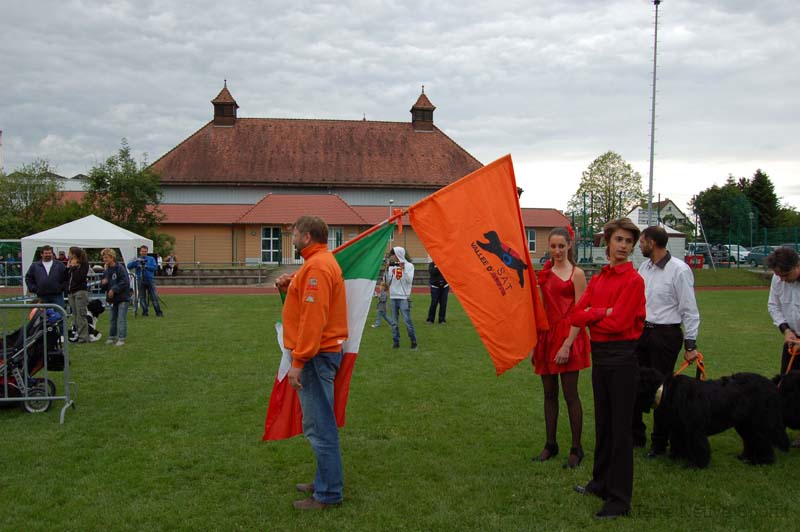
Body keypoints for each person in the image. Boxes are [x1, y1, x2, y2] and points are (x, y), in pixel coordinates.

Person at [571, 218, 645, 520]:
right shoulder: (599, 279)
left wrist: (595, 315)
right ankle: (600, 483)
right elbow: (576, 315)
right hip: (600, 358)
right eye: (619, 240)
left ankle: (619, 500)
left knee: (620, 430)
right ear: (608, 242)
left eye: (629, 242)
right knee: (603, 424)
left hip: (623, 360)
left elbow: (620, 323)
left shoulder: (634, 281)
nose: (623, 246)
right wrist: (603, 312)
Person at [274, 216, 348, 510]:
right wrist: (288, 287)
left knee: (320, 427)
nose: (291, 238)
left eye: (293, 234)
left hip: (316, 357)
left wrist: (299, 359)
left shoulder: (317, 266)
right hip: (319, 354)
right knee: (319, 423)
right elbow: (302, 306)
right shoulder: (316, 263)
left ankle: (328, 494)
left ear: (306, 236)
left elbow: (313, 318)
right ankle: (323, 481)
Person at [633, 226, 701, 456]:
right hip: (642, 332)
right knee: (636, 384)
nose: (639, 245)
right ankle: (636, 435)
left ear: (651, 243)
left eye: (641, 242)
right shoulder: (644, 267)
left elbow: (690, 309)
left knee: (661, 392)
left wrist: (691, 344)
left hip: (665, 335)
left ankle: (659, 443)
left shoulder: (679, 270)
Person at [532, 227, 590, 468]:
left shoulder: (577, 274)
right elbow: (541, 310)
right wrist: (536, 343)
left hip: (570, 336)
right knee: (549, 394)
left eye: (561, 246)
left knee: (570, 394)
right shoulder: (544, 275)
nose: (556, 251)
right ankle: (550, 444)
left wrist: (567, 345)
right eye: (553, 246)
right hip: (548, 336)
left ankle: (576, 448)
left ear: (569, 246)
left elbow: (582, 311)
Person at [767, 247, 800, 373]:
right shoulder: (778, 279)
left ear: (797, 266)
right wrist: (785, 330)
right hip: (792, 342)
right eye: (778, 275)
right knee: (786, 386)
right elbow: (773, 305)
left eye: (785, 275)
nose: (782, 279)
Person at [385, 247, 417, 350]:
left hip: (403, 297)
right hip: (393, 296)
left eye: (393, 254)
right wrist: (386, 269)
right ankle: (396, 342)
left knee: (407, 321)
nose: (392, 257)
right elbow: (387, 281)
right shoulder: (391, 267)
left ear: (398, 254)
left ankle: (413, 341)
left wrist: (403, 269)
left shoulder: (409, 266)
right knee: (394, 322)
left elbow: (409, 281)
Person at [100, 248, 130, 347]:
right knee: (112, 319)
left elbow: (125, 282)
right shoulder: (106, 270)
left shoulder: (120, 268)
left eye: (106, 257)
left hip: (122, 298)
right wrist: (103, 283)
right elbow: (104, 286)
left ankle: (121, 338)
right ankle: (111, 337)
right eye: (103, 257)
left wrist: (114, 289)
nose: (104, 259)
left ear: (112, 257)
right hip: (113, 300)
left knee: (121, 318)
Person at [25, 244, 68, 309]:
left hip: (57, 295)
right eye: (46, 253)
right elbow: (28, 278)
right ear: (41, 254)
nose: (48, 255)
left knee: (59, 315)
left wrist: (61, 288)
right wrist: (34, 288)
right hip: (41, 296)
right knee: (43, 316)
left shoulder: (59, 265)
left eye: (49, 253)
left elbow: (66, 278)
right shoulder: (35, 266)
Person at [127, 245, 163, 317]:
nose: (144, 253)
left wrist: (146, 266)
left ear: (147, 251)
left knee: (154, 297)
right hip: (140, 279)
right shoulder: (137, 259)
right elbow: (129, 266)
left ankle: (158, 312)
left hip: (150, 279)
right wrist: (135, 262)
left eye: (145, 251)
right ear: (140, 252)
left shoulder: (151, 258)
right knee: (142, 297)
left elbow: (155, 268)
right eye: (142, 251)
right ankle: (145, 312)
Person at [67, 246, 93, 343]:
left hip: (80, 292)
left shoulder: (84, 264)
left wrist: (73, 268)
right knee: (74, 315)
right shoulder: (70, 263)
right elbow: (68, 278)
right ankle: (77, 334)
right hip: (71, 292)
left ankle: (83, 337)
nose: (68, 254)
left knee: (81, 314)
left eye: (69, 252)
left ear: (74, 254)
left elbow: (79, 278)